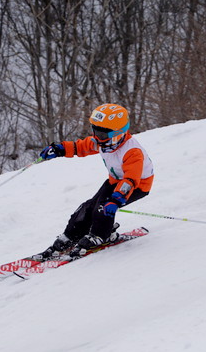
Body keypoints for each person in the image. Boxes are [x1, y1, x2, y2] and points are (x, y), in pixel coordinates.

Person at [35, 103, 154, 259]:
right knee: (88, 207)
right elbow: (81, 147)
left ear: (117, 133)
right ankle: (70, 236)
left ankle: (100, 235)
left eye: (102, 134)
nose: (97, 137)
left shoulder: (132, 152)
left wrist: (117, 200)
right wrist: (60, 149)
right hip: (115, 180)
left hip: (137, 185)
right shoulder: (103, 142)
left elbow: (130, 180)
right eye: (95, 131)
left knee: (103, 208)